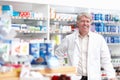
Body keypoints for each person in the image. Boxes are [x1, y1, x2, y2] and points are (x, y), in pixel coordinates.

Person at [54, 12, 117, 80]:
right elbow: (58, 54)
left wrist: (111, 76)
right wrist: (60, 71)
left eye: (87, 21)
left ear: (90, 23)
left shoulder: (99, 39)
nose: (85, 24)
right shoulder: (69, 39)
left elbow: (106, 60)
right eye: (82, 21)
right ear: (77, 23)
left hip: (93, 77)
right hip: (75, 77)